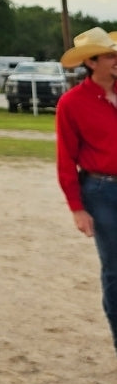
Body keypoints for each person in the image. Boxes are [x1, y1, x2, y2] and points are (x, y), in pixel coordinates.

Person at [55, 26, 117, 353]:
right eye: (110, 55)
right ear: (91, 62)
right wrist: (77, 208)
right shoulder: (72, 103)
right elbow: (65, 158)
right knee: (115, 269)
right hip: (101, 191)